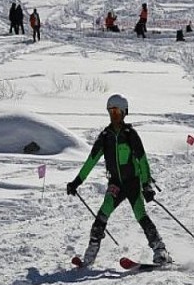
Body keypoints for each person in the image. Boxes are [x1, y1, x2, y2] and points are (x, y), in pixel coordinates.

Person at [66, 94, 172, 266]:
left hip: (132, 183)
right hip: (115, 184)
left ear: (124, 113)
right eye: (111, 112)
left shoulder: (131, 135)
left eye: (117, 112)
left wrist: (146, 185)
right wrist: (77, 181)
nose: (114, 116)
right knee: (101, 216)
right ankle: (89, 256)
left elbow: (142, 161)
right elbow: (91, 161)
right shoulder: (105, 137)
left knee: (140, 215)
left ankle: (160, 250)